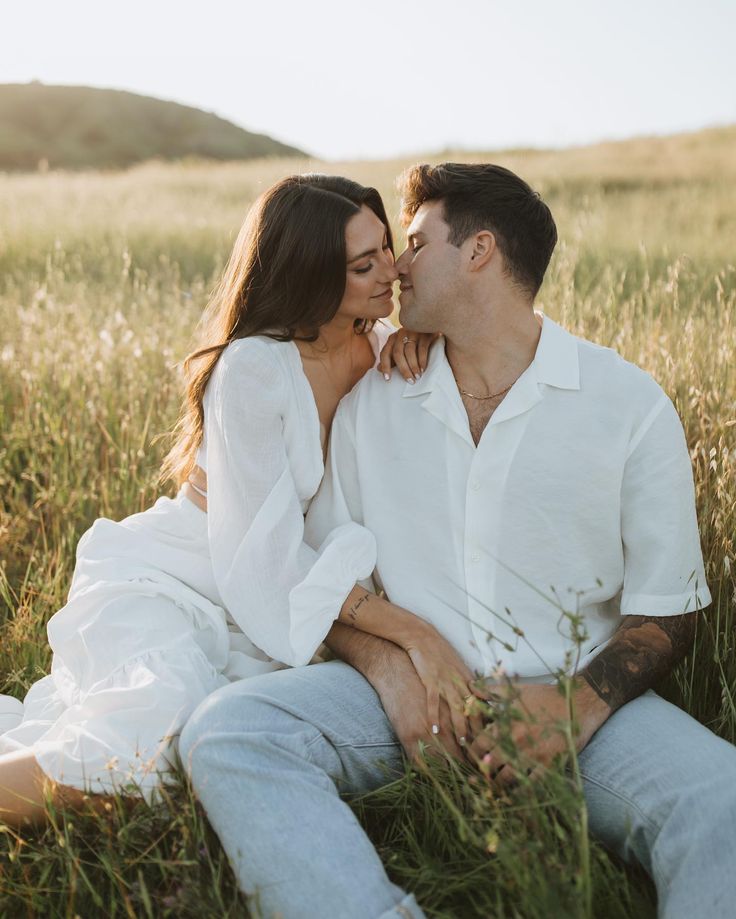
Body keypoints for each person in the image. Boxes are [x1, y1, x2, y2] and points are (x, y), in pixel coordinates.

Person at [180, 163, 736, 919]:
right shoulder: (372, 391)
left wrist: (574, 707)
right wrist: (388, 668)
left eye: (414, 242)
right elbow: (318, 579)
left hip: (574, 703)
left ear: (479, 252)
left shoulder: (628, 405)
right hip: (403, 693)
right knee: (230, 730)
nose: (398, 266)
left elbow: (668, 613)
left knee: (723, 798)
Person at [0, 173, 437, 827]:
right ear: (310, 272)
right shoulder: (254, 370)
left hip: (265, 600)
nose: (391, 272)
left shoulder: (376, 347)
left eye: (387, 250)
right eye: (364, 263)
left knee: (203, 746)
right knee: (139, 744)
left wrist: (423, 336)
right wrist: (409, 630)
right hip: (186, 574)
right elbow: (264, 557)